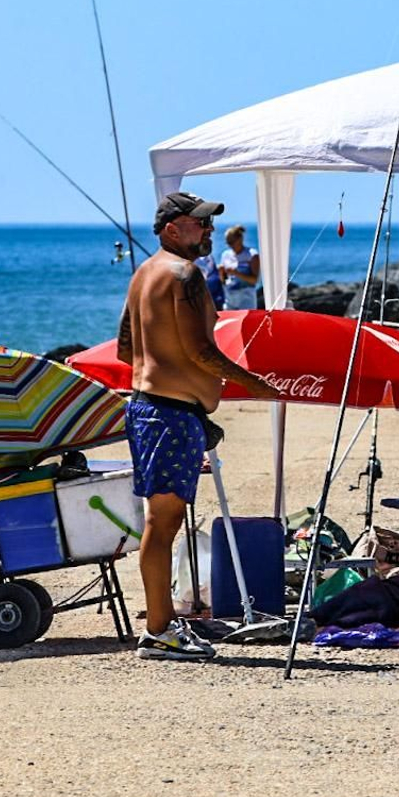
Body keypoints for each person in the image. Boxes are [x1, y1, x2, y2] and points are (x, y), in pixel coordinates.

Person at [117, 192, 277, 661]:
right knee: (162, 523)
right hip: (168, 413)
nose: (208, 232)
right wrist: (255, 384)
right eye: (199, 224)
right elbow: (200, 350)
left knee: (161, 521)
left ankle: (161, 625)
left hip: (151, 407)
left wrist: (182, 388)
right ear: (172, 228)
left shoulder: (143, 275)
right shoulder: (184, 274)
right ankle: (160, 630)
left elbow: (127, 347)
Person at [219, 225, 261, 310]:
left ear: (240, 239)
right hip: (230, 297)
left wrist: (237, 273)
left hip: (246, 298)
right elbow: (223, 280)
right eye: (228, 243)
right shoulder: (225, 255)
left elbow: (255, 280)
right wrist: (221, 273)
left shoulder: (251, 255)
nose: (230, 245)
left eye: (232, 242)